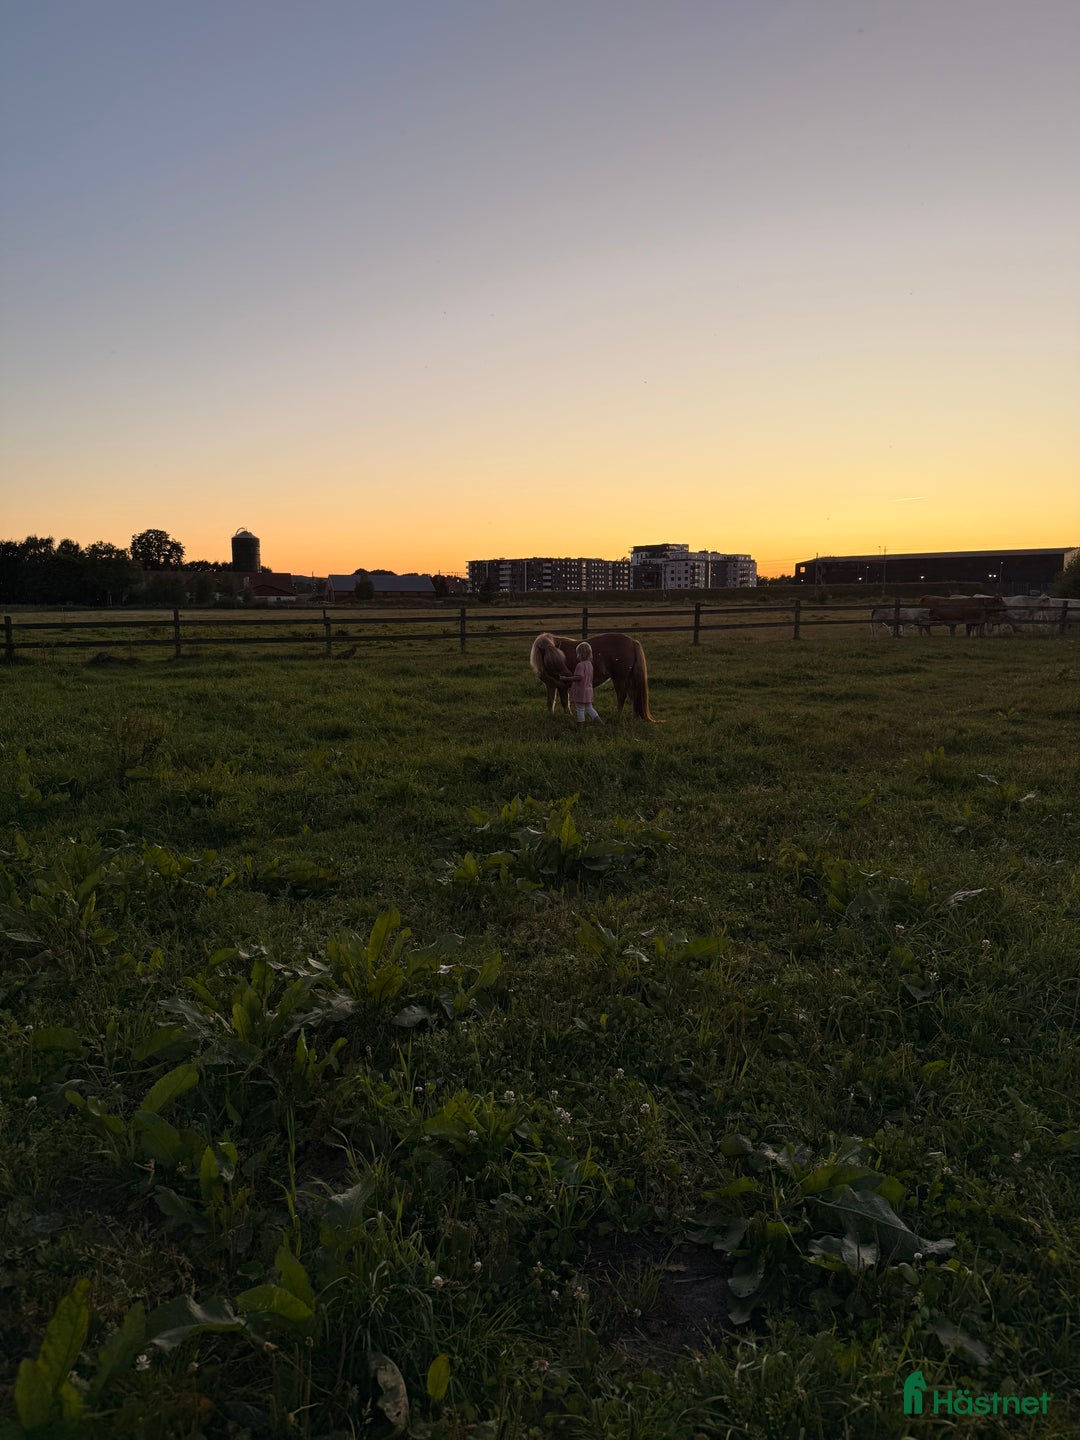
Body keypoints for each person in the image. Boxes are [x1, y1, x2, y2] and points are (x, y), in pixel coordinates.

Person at [569, 641, 604, 725]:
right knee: (589, 708)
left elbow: (579, 677)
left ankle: (580, 724)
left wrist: (567, 678)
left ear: (579, 654)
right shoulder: (590, 664)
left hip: (581, 691)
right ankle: (599, 722)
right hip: (588, 691)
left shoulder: (580, 665)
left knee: (580, 708)